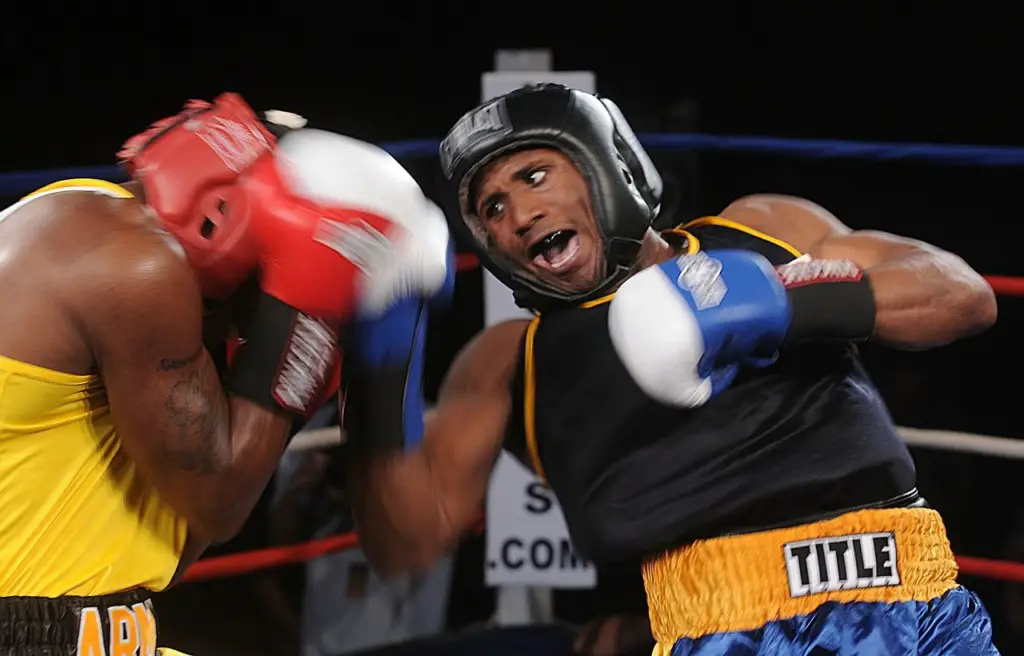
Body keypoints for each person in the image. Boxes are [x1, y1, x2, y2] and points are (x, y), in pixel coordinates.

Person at [341, 84, 1001, 655]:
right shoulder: (510, 360)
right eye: (491, 208)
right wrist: (377, 347)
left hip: (916, 597)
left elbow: (962, 295)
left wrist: (781, 299)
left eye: (535, 176)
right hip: (725, 631)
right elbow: (407, 540)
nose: (518, 215)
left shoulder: (761, 229)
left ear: (610, 163)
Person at [0, 92, 451, 655]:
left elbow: (187, 530)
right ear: (225, 216)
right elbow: (220, 498)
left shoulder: (86, 233)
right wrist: (305, 317)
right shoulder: (130, 261)